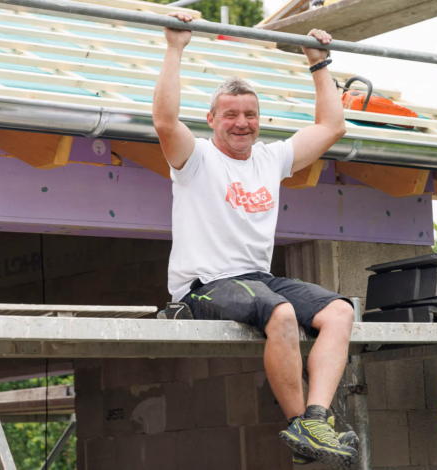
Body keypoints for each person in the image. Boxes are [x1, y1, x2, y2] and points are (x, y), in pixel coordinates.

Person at [153, 11, 358, 469]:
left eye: (250, 114)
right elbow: (166, 123)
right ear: (212, 119)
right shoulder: (197, 158)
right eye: (230, 115)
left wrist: (318, 63)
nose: (241, 122)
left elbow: (331, 127)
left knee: (340, 312)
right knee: (281, 314)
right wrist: (175, 47)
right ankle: (299, 425)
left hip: (256, 279)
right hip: (204, 285)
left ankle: (316, 419)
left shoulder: (270, 159)